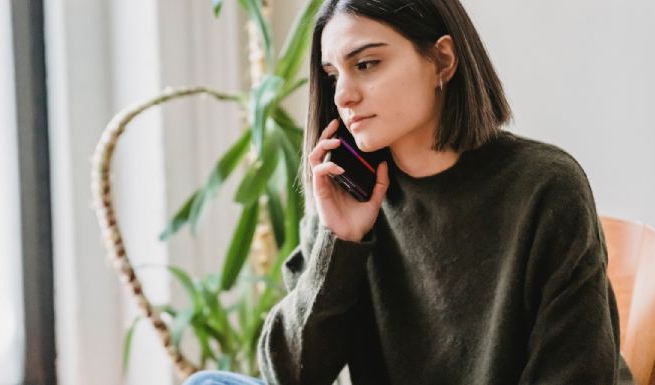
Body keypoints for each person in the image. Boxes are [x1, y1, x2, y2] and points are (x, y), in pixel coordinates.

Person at [183, 0, 636, 384]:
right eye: (332, 74)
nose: (343, 94)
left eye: (366, 64)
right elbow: (290, 375)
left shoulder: (545, 187)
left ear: (442, 60)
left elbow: (576, 372)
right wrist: (339, 244)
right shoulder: (348, 191)